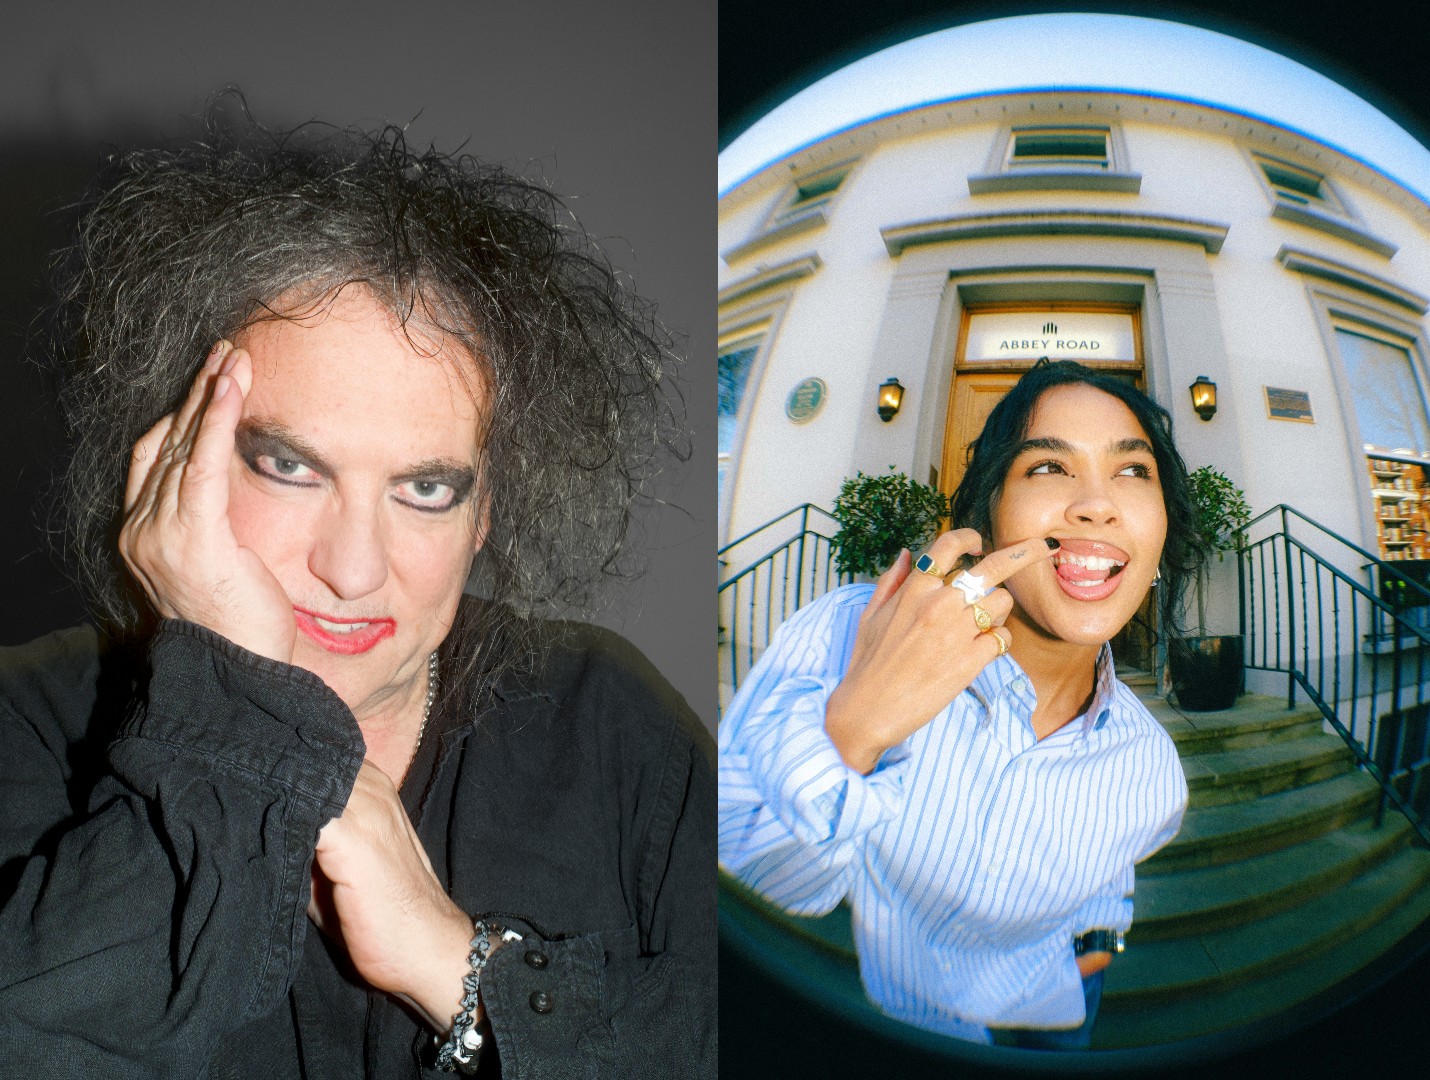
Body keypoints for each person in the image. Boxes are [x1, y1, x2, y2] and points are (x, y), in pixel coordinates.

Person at [0, 109, 713, 1077]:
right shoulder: (31, 727)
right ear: (174, 461)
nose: (353, 568)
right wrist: (235, 723)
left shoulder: (610, 729)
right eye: (291, 467)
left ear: (485, 512)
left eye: (425, 489)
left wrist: (461, 969)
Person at [718, 359, 1194, 1049]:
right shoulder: (850, 633)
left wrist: (1099, 945)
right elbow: (751, 891)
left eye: (1132, 470)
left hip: (1057, 1011)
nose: (1098, 504)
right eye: (1047, 467)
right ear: (987, 519)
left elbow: (1110, 874)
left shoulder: (1153, 769)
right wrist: (854, 728)